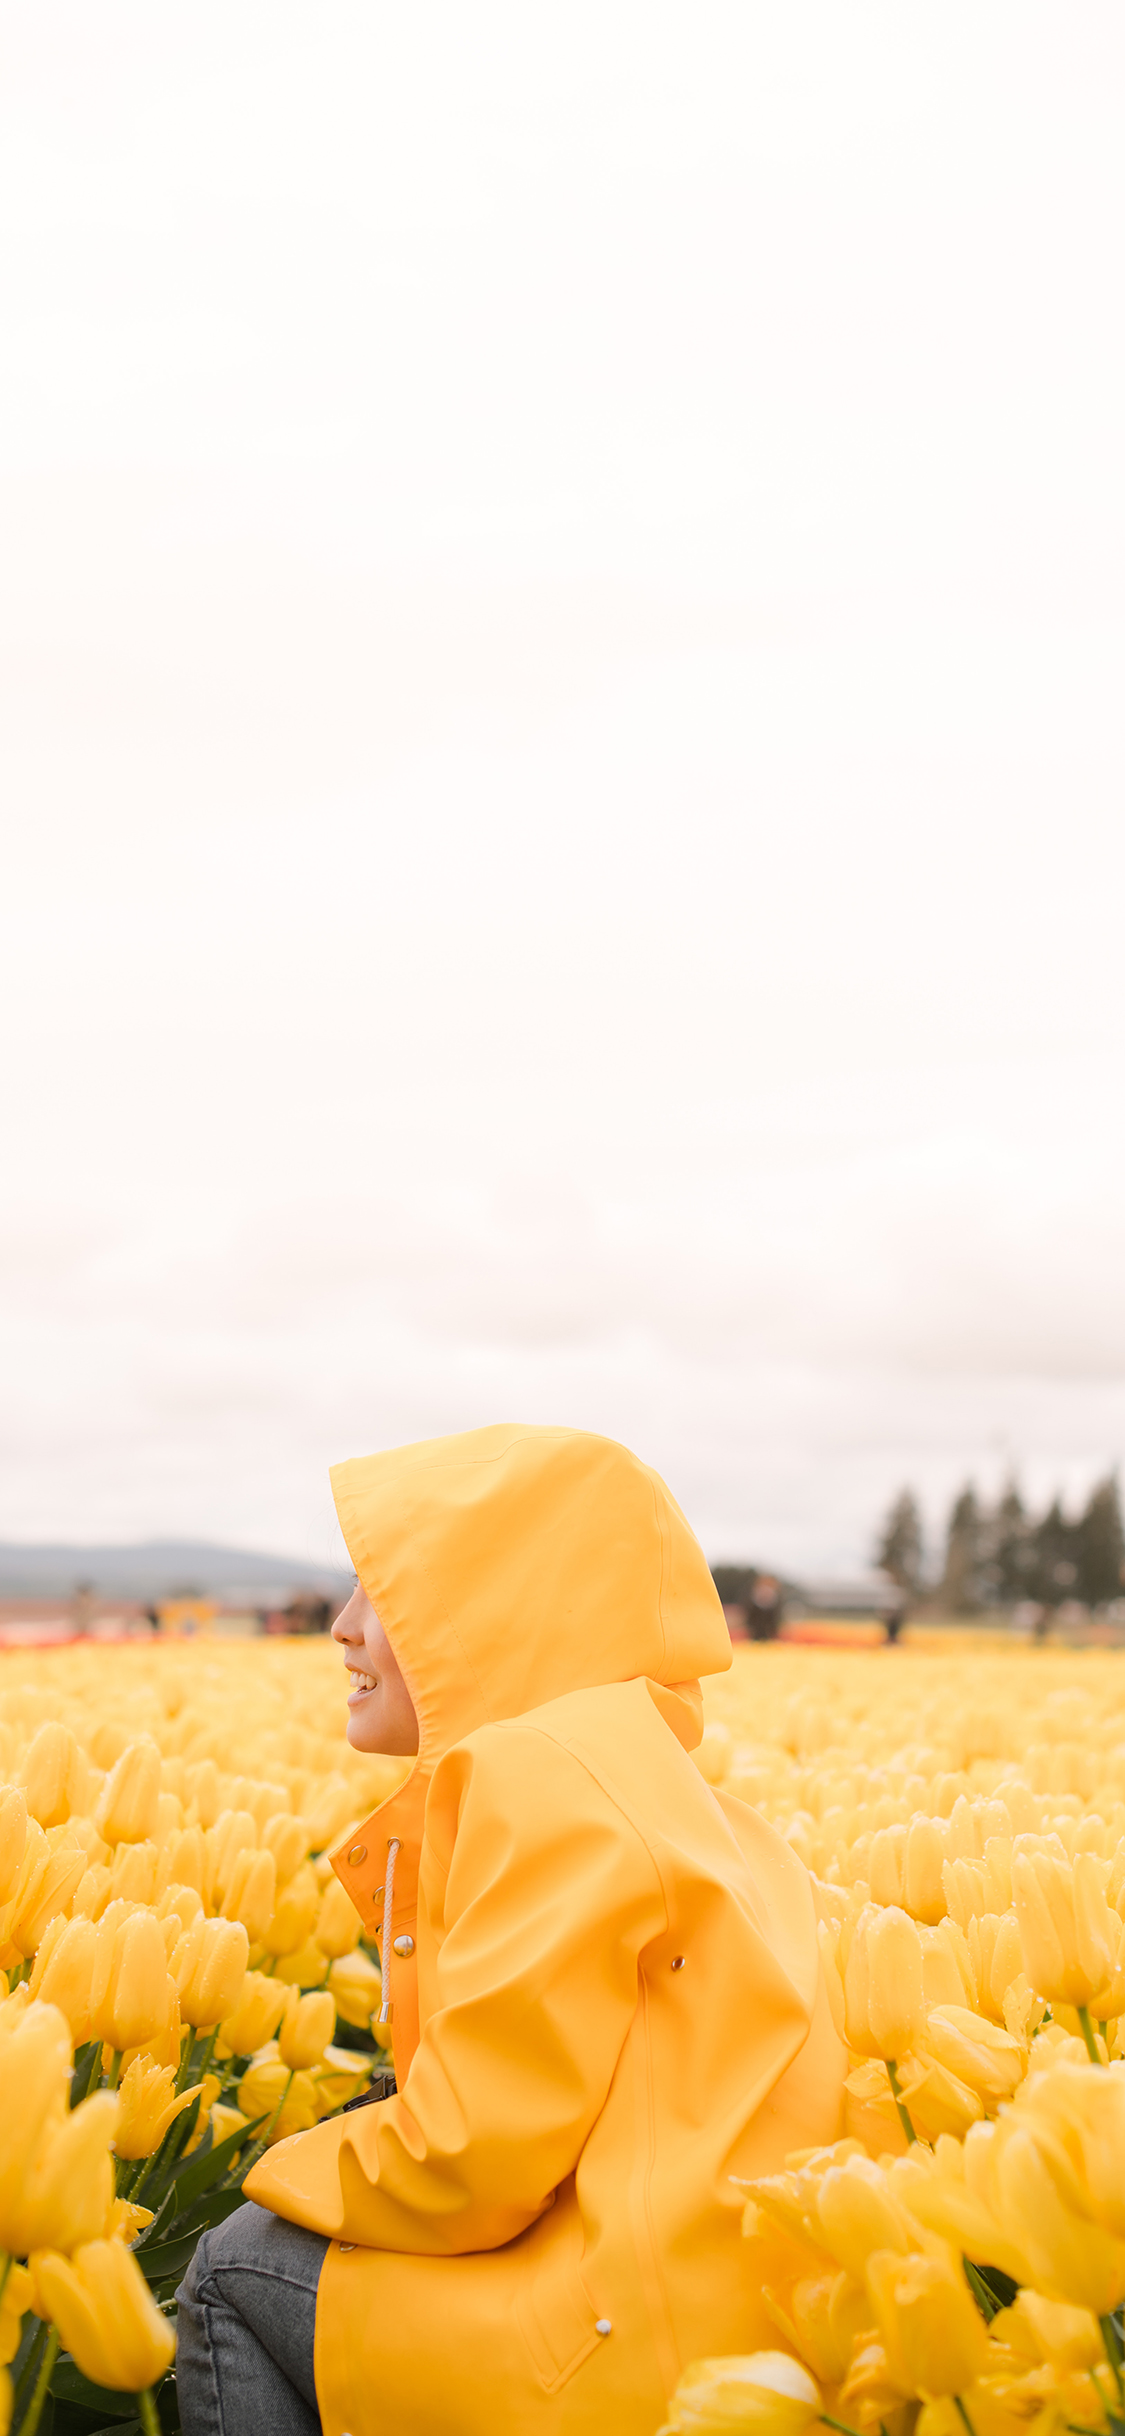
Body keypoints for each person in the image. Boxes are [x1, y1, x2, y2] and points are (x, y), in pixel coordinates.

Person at [176, 1424, 844, 2436]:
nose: (344, 1628)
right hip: (752, 2306)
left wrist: (268, 2165)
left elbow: (475, 2160)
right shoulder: (651, 1774)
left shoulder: (536, 1772)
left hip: (633, 2340)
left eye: (384, 1595)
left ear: (485, 1608)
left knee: (233, 2261)